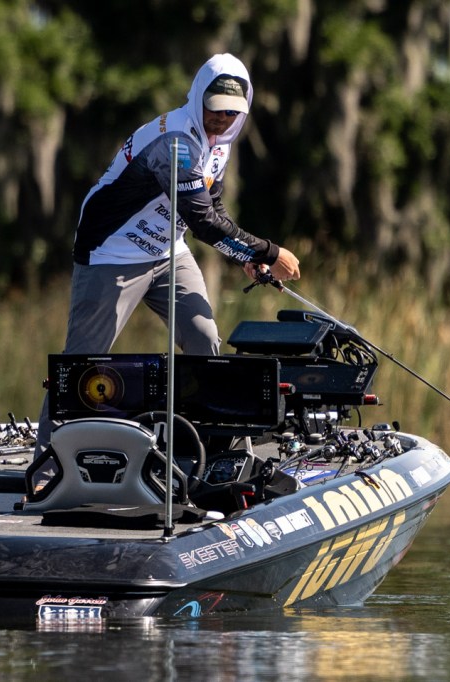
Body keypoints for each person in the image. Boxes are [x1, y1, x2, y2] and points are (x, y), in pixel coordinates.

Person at [35, 52, 301, 451]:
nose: (221, 119)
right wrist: (269, 252)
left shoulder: (219, 142)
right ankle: (47, 461)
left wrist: (246, 257)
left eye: (232, 113)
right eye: (214, 109)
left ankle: (209, 449)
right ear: (197, 98)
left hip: (168, 253)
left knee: (204, 339)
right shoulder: (176, 143)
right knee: (82, 364)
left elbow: (213, 204)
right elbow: (203, 223)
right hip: (112, 254)